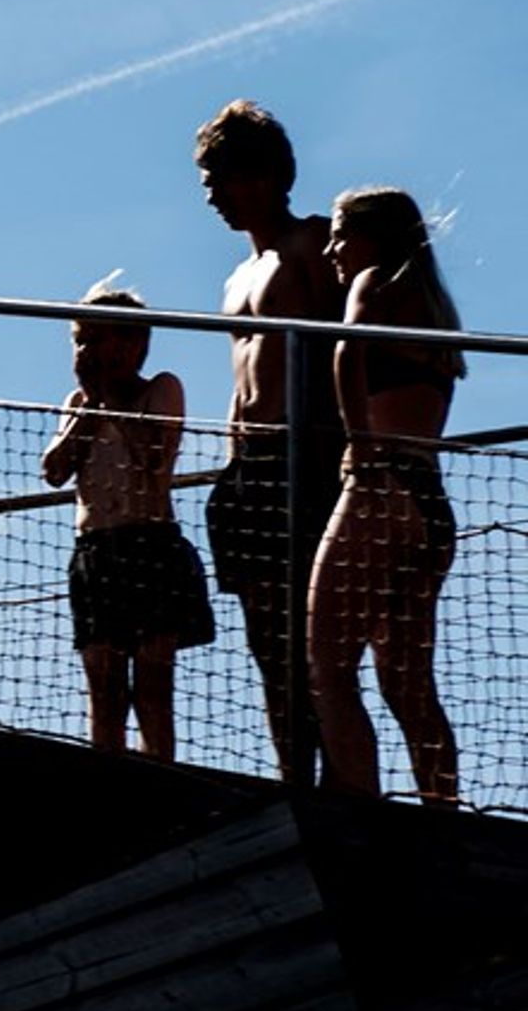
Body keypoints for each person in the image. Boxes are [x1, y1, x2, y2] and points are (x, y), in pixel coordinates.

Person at [195, 100, 344, 785]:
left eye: (220, 176)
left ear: (261, 175)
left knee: (321, 640)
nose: (210, 193)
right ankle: (296, 782)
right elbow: (242, 379)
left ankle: (347, 783)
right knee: (268, 645)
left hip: (308, 454)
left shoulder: (315, 244)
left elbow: (348, 351)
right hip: (248, 468)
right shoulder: (235, 276)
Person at [307, 187, 464, 804]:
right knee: (407, 684)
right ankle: (444, 814)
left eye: (341, 233)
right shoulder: (431, 303)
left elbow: (347, 352)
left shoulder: (374, 280)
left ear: (375, 236)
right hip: (428, 499)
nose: (332, 249)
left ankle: (357, 815)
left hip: (382, 485)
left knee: (327, 666)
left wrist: (362, 451)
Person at [39, 281, 215, 762]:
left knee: (153, 684)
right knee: (105, 687)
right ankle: (109, 779)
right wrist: (92, 403)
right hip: (95, 551)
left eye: (97, 339)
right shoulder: (78, 404)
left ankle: (159, 773)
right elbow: (54, 469)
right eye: (80, 340)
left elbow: (153, 461)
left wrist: (112, 397)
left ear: (133, 343)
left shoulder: (160, 388)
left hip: (150, 544)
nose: (86, 351)